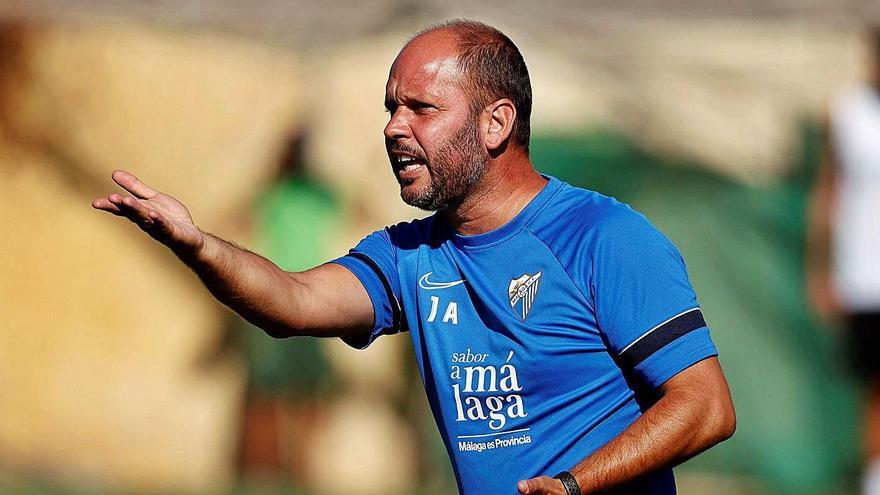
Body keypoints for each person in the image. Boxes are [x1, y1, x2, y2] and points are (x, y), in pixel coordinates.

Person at [93, 20, 735, 495]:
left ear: (496, 123)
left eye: (421, 108)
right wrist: (199, 246)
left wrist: (573, 485)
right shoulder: (411, 255)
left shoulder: (603, 236)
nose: (394, 127)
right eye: (390, 108)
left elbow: (705, 406)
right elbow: (291, 302)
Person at [807, 26, 880, 495]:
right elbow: (827, 194)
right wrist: (819, 269)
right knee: (872, 389)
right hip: (864, 280)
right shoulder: (849, 111)